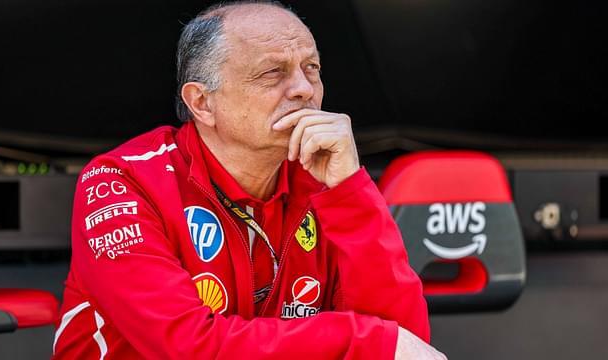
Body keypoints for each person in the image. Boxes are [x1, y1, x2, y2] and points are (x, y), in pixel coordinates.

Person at [52, 2, 445, 359]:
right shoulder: (121, 181)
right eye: (273, 73)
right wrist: (360, 340)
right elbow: (190, 347)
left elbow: (406, 343)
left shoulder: (323, 175)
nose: (305, 90)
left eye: (312, 69)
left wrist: (350, 191)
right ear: (202, 103)